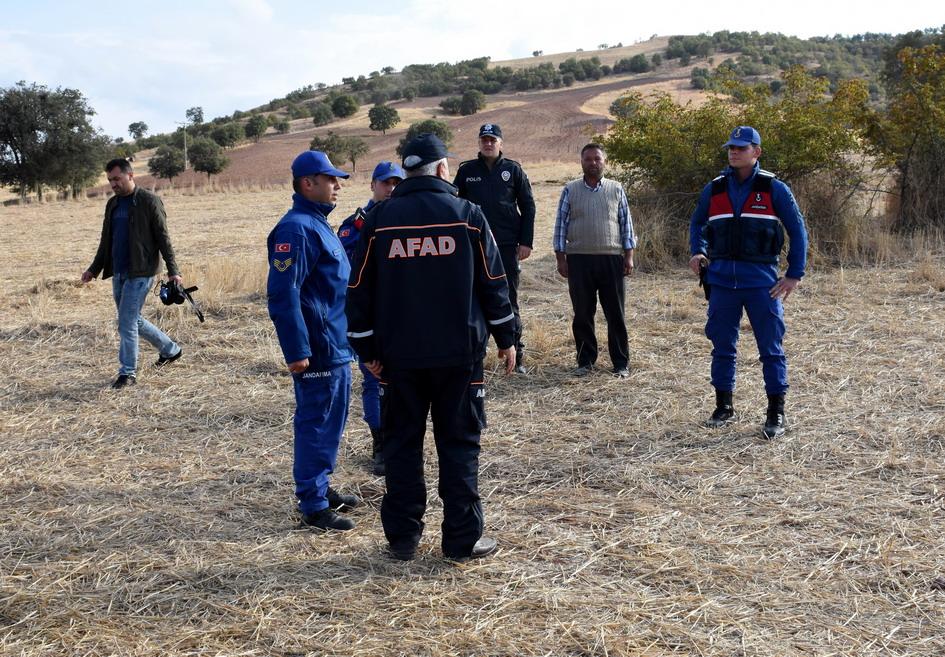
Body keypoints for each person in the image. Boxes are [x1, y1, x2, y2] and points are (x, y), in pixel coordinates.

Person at [346, 134, 516, 561]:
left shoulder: (380, 219)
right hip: (459, 357)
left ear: (405, 172)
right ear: (443, 169)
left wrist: (366, 351)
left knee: (402, 445)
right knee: (459, 445)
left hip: (397, 359)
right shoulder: (468, 214)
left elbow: (358, 291)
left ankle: (402, 539)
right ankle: (462, 540)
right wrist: (507, 338)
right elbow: (495, 283)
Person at [688, 126, 808, 439]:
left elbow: (798, 230)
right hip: (722, 282)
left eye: (741, 147)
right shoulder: (714, 189)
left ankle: (775, 412)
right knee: (722, 346)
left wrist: (794, 274)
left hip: (762, 284)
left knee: (771, 348)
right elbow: (698, 223)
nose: (733, 152)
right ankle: (723, 407)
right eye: (731, 147)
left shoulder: (774, 188)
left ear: (756, 152)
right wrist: (697, 252)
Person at [267, 150, 361, 532]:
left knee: (331, 420)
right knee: (317, 421)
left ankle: (322, 486)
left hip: (336, 343)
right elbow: (283, 292)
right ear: (308, 183)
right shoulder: (297, 229)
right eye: (330, 179)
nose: (337, 185)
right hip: (318, 349)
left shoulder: (319, 225)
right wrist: (298, 350)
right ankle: (313, 504)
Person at [81, 158, 184, 389]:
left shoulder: (149, 201)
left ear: (130, 176)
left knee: (125, 322)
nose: (113, 184)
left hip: (142, 271)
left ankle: (128, 373)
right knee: (132, 320)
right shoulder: (113, 204)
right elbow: (106, 241)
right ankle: (170, 350)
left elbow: (164, 238)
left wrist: (173, 271)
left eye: (116, 179)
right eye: (110, 180)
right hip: (118, 272)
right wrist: (93, 269)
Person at [337, 160, 405, 476]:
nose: (390, 189)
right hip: (371, 317)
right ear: (373, 186)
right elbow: (348, 273)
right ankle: (380, 443)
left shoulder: (410, 220)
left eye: (396, 183)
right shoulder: (355, 225)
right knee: (374, 379)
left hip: (406, 313)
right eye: (385, 183)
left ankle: (403, 440)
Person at [454, 123, 535, 374]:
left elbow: (528, 206)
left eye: (493, 140)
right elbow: (455, 206)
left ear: (501, 143)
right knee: (474, 298)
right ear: (479, 143)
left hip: (506, 246)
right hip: (474, 246)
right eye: (484, 140)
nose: (488, 144)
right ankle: (477, 354)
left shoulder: (513, 170)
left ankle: (516, 354)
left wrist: (526, 242)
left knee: (508, 299)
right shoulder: (467, 171)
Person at [552, 143, 636, 378]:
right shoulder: (570, 189)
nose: (593, 163)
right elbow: (561, 225)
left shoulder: (616, 189)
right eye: (588, 159)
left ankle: (620, 363)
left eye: (597, 159)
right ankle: (585, 361)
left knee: (615, 314)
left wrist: (628, 255)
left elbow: (625, 224)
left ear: (604, 162)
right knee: (582, 313)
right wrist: (561, 258)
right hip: (579, 260)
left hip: (611, 259)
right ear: (581, 162)